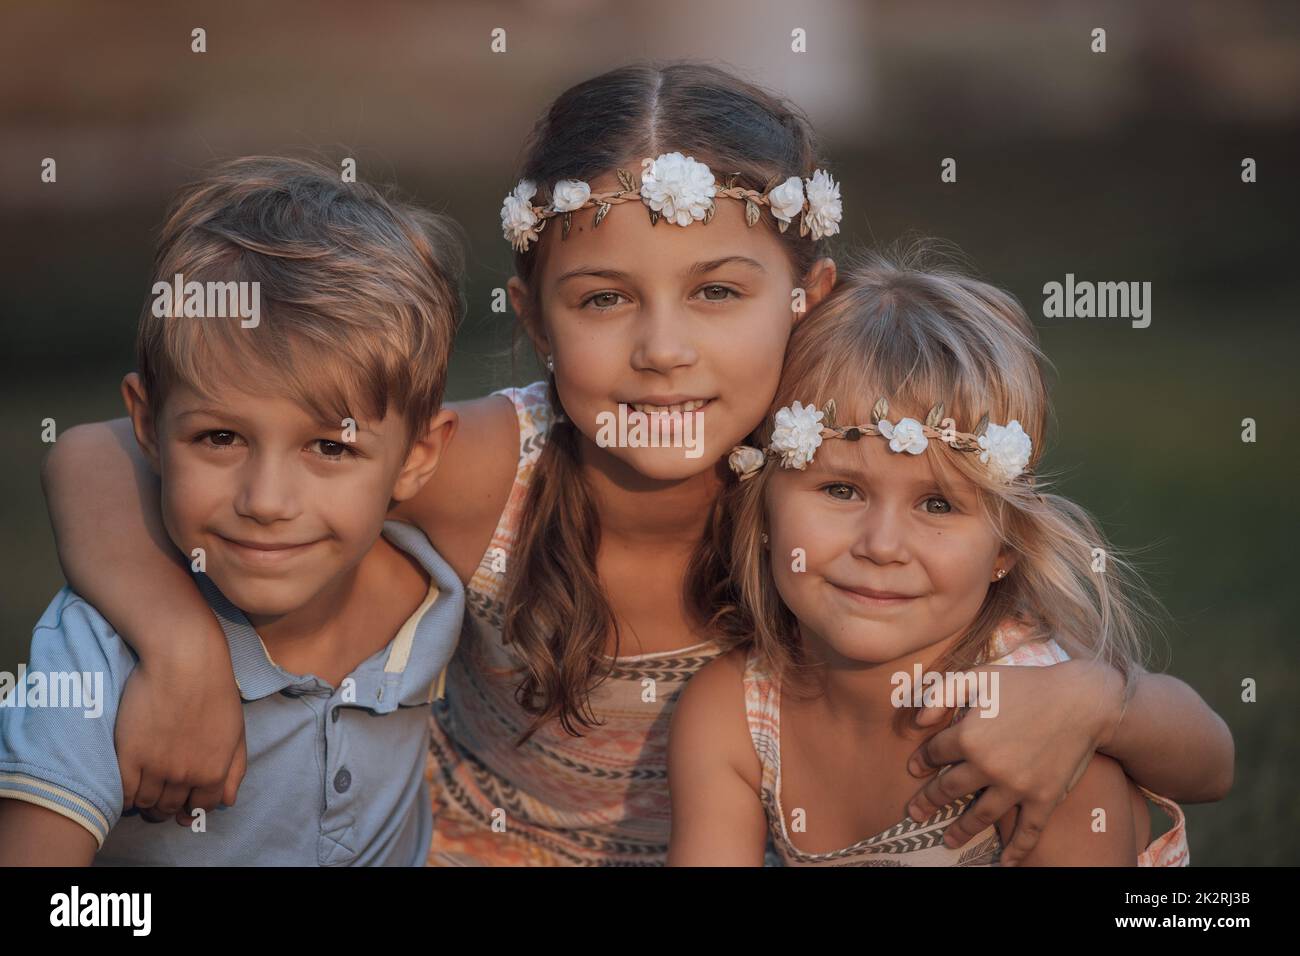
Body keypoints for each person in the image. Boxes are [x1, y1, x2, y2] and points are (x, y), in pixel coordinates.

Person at [40, 64, 1232, 866]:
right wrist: (183, 644)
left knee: (1098, 793)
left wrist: (1095, 694)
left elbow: (1050, 659)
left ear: (807, 297)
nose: (662, 352)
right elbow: (102, 452)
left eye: (717, 293)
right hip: (471, 856)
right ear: (536, 313)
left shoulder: (838, 485)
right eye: (604, 298)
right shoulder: (493, 464)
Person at [668, 245, 1204, 865]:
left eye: (939, 505)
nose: (882, 546)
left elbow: (1212, 762)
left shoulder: (1043, 743)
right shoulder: (734, 713)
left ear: (1006, 545)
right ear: (761, 507)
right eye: (841, 490)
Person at [0, 156, 467, 864]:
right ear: (148, 427)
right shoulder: (98, 651)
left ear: (417, 457)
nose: (267, 502)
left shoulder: (441, 600)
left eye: (329, 448)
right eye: (220, 438)